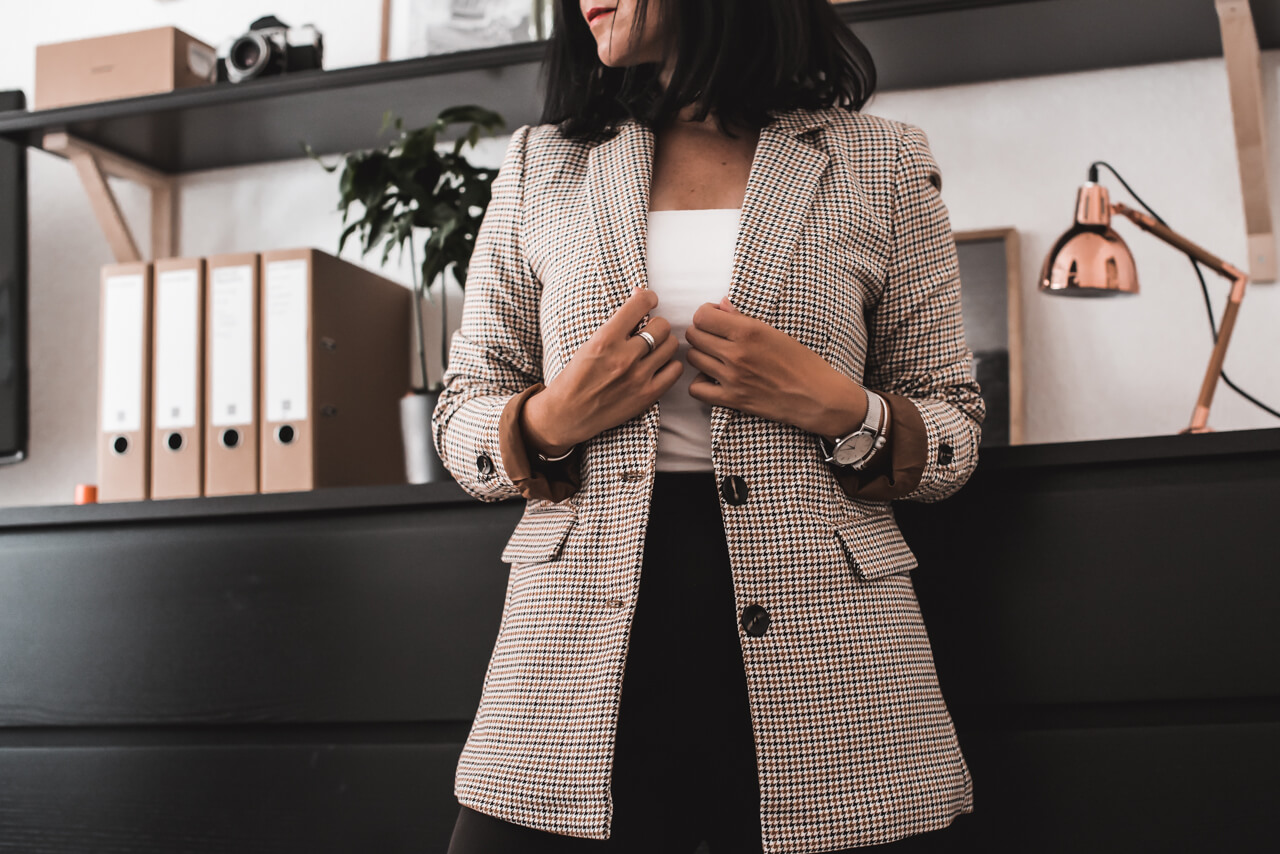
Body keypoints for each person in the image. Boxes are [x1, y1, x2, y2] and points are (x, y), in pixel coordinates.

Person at [434, 1, 984, 851]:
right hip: (572, 650)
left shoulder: (881, 160)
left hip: (833, 660)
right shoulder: (543, 164)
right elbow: (462, 409)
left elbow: (954, 423)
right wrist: (549, 419)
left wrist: (840, 406)